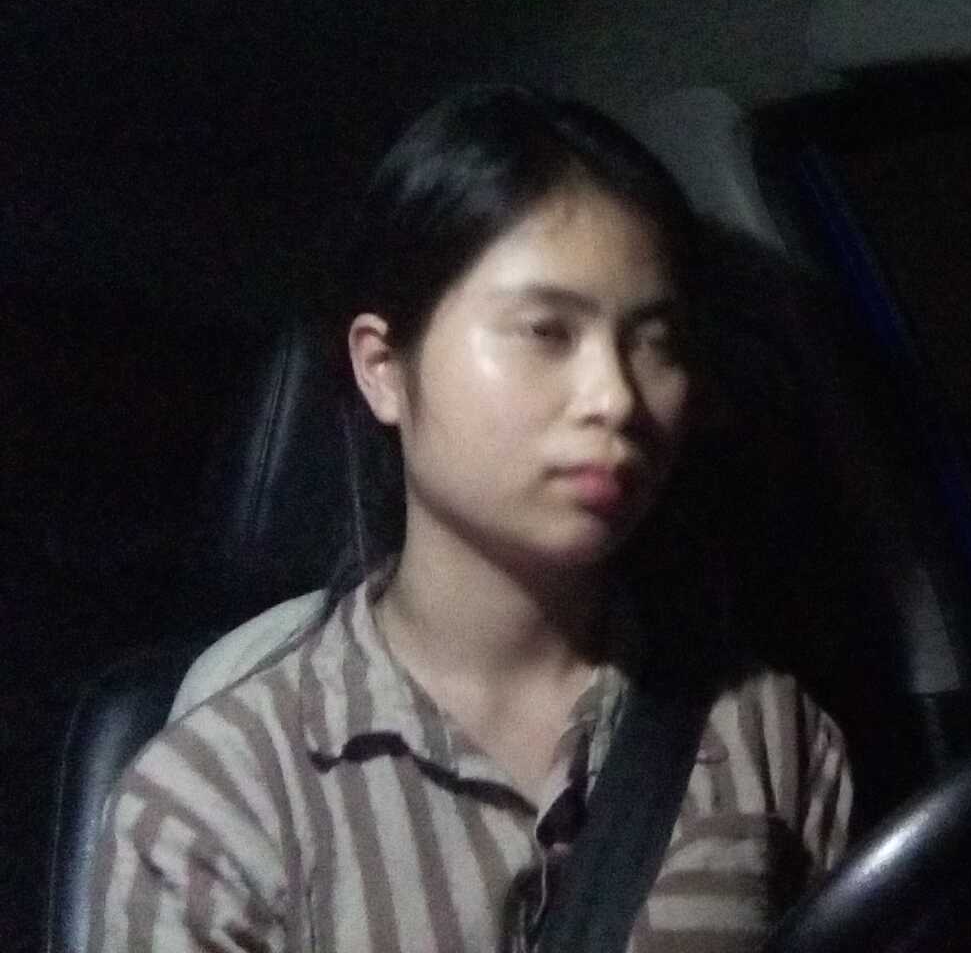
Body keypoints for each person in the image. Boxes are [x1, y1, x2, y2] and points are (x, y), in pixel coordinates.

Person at [87, 84, 853, 952]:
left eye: (657, 342)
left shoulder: (767, 731)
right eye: (545, 332)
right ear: (383, 369)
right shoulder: (220, 798)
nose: (616, 398)